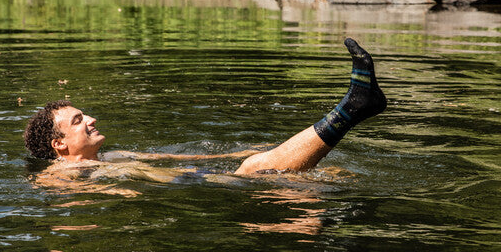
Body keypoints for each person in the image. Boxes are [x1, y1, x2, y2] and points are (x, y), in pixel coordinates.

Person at [24, 38, 386, 176]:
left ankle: (356, 108)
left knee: (272, 164)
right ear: (60, 143)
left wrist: (233, 153)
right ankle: (354, 107)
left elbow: (170, 161)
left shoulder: (113, 157)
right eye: (78, 119)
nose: (91, 118)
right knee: (258, 171)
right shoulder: (60, 177)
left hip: (198, 179)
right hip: (196, 189)